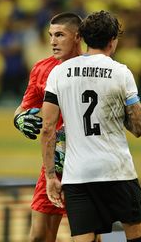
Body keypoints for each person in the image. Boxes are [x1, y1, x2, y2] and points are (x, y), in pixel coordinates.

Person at [41, 10, 141, 242]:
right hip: (117, 171)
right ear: (113, 41)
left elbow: (47, 127)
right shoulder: (121, 73)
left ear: (84, 38)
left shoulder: (59, 73)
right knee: (137, 236)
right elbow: (139, 128)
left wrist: (50, 175)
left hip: (77, 176)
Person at [13, 12, 102, 242]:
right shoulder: (42, 68)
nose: (52, 41)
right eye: (51, 35)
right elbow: (22, 109)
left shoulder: (96, 69)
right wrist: (19, 120)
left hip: (86, 165)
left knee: (87, 237)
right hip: (54, 164)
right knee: (39, 236)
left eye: (60, 35)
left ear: (78, 36)